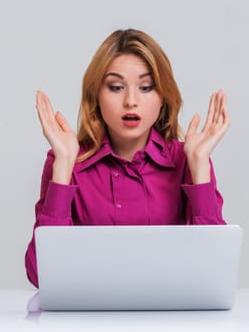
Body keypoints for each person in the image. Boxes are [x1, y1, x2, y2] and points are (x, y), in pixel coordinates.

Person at [25, 29, 230, 288]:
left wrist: (199, 164)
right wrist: (64, 163)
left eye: (145, 88)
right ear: (96, 96)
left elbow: (213, 270)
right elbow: (40, 275)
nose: (131, 101)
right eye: (116, 87)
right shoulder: (66, 162)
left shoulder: (188, 159)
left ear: (163, 97)